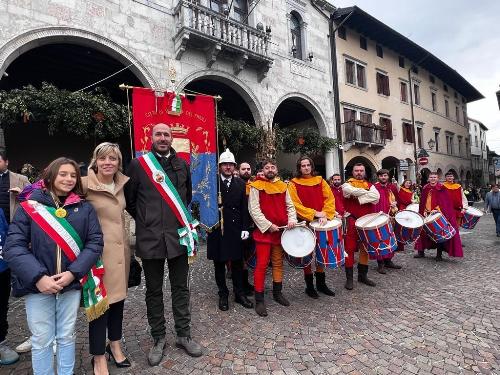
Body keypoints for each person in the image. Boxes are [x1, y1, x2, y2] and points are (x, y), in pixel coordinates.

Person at [4, 157, 104, 375]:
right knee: (41, 339)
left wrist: (73, 273)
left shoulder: (84, 208)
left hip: (69, 284)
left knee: (67, 336)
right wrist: (39, 277)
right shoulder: (29, 206)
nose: (68, 179)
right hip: (38, 285)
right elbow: (13, 247)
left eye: (73, 175)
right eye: (63, 174)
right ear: (50, 176)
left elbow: (95, 242)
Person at [125, 123, 202, 366]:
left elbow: (186, 197)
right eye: (158, 134)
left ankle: (183, 334)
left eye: (167, 134)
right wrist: (148, 219)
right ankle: (158, 338)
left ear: (172, 138)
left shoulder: (182, 165)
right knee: (154, 291)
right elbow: (130, 200)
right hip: (150, 238)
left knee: (181, 288)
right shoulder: (139, 165)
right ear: (151, 136)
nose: (162, 138)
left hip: (178, 236)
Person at [83, 143, 131, 374]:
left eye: (113, 158)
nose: (108, 162)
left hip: (121, 254)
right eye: (103, 158)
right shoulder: (84, 184)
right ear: (95, 161)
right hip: (98, 257)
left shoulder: (121, 184)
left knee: (118, 302)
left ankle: (115, 344)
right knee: (100, 305)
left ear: (118, 162)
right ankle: (98, 356)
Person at [248, 158, 297, 317]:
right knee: (261, 265)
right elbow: (254, 210)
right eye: (267, 167)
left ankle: (277, 293)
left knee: (277, 263)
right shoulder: (256, 186)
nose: (270, 169)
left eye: (272, 167)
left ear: (276, 169)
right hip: (264, 233)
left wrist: (292, 220)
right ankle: (259, 299)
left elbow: (290, 206)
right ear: (263, 170)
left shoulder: (284, 186)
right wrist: (269, 225)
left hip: (281, 232)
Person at [207, 150, 253, 311]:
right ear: (219, 167)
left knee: (237, 263)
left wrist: (245, 228)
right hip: (217, 228)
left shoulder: (240, 184)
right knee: (219, 264)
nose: (227, 167)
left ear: (234, 166)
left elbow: (244, 208)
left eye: (230, 165)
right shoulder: (212, 183)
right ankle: (223, 294)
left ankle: (239, 293)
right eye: (224, 164)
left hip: (235, 228)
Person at [288, 156, 336, 298]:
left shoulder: (320, 181)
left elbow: (329, 198)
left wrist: (325, 214)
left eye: (308, 165)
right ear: (299, 168)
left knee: (321, 252)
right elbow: (294, 204)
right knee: (307, 254)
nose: (306, 168)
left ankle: (321, 284)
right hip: (304, 222)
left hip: (321, 222)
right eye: (303, 165)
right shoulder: (293, 183)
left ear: (312, 166)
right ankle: (309, 286)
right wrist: (315, 213)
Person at [341, 163, 380, 290]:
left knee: (365, 248)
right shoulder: (346, 184)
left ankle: (362, 276)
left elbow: (376, 197)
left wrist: (357, 196)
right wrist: (365, 194)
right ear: (352, 172)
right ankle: (349, 279)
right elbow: (347, 191)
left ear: (365, 172)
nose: (359, 172)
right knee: (349, 249)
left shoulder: (371, 186)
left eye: (361, 170)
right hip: (351, 220)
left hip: (366, 222)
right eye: (356, 170)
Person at [414, 171, 463, 260]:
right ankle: (421, 252)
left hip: (438, 214)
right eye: (431, 177)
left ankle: (439, 254)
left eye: (434, 177)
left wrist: (436, 210)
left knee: (439, 233)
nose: (433, 179)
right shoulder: (425, 188)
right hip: (426, 213)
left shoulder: (442, 188)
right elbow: (423, 202)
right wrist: (423, 211)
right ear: (429, 178)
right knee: (422, 233)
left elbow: (445, 203)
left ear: (438, 178)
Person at [373, 169, 402, 274]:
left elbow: (398, 199)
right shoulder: (374, 188)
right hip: (379, 217)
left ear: (388, 176)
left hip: (390, 216)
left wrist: (395, 203)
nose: (383, 177)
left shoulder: (392, 187)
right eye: (381, 176)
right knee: (379, 239)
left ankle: (388, 260)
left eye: (385, 175)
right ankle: (380, 263)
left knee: (389, 237)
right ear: (378, 177)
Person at [238, 161, 255, 295]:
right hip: (239, 225)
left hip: (251, 225)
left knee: (248, 255)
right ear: (239, 171)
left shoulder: (254, 186)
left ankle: (246, 282)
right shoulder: (236, 185)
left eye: (248, 169)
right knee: (240, 256)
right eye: (243, 169)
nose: (246, 171)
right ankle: (241, 284)